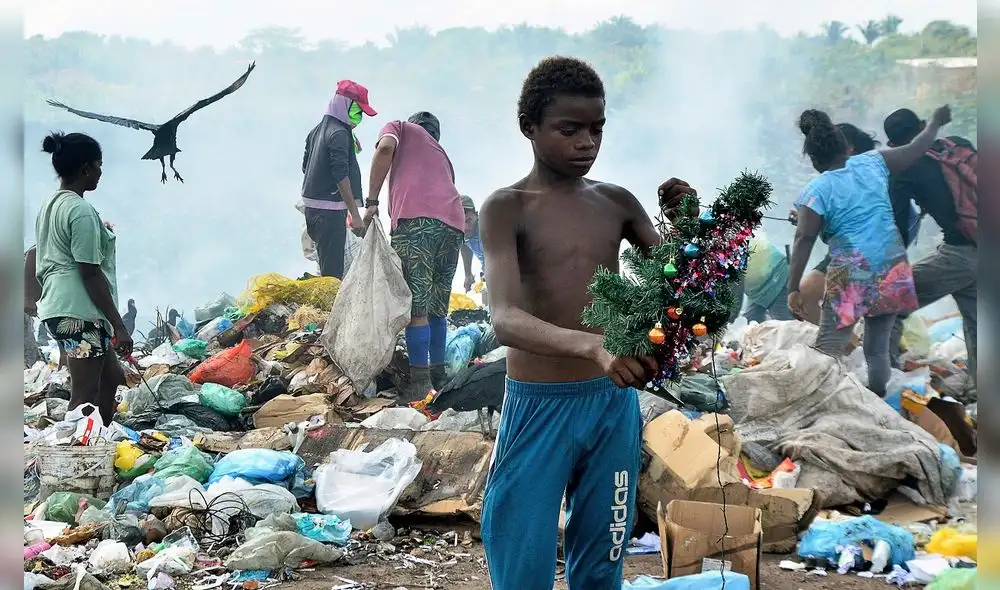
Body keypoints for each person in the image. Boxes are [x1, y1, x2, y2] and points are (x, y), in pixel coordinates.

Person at [478, 56, 696, 590]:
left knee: (602, 558)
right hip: (538, 408)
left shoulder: (616, 202)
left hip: (610, 407)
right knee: (520, 555)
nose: (587, 142)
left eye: (597, 129)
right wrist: (596, 349)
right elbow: (504, 318)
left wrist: (690, 222)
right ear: (529, 128)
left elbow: (678, 286)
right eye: (569, 129)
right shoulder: (507, 207)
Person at [786, 106, 951, 397]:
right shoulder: (874, 162)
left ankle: (822, 402)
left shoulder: (816, 190)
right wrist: (935, 123)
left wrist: (793, 288)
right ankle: (876, 399)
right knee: (876, 349)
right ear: (842, 146)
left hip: (852, 272)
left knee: (828, 348)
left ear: (814, 159)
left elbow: (804, 239)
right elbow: (916, 148)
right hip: (892, 266)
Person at [362, 111, 465, 397]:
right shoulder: (443, 156)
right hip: (453, 227)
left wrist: (371, 202)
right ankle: (439, 374)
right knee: (436, 306)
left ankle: (420, 384)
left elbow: (384, 148)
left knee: (415, 305)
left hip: (417, 223)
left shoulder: (401, 128)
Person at [34, 131, 131, 423]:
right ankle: (73, 459)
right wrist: (119, 325)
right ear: (85, 168)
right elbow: (89, 274)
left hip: (60, 306)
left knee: (111, 376)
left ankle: (99, 438)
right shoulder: (80, 210)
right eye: (99, 164)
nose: (101, 172)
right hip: (78, 312)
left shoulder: (52, 205)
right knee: (83, 395)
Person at [792, 123, 922, 326]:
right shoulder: (858, 171)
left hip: (867, 252)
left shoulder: (869, 173)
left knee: (815, 293)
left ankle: (850, 346)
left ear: (847, 148)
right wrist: (808, 222)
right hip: (862, 251)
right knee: (815, 292)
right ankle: (854, 345)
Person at [884, 108, 977, 389]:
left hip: (961, 253)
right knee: (977, 319)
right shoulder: (958, 144)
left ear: (893, 146)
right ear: (924, 126)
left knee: (889, 305)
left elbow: (898, 231)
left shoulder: (903, 171)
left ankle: (885, 382)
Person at [301, 80, 376, 279]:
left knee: (328, 266)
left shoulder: (316, 131)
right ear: (345, 104)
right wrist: (355, 214)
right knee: (333, 276)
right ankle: (330, 309)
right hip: (329, 214)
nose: (359, 118)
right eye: (357, 111)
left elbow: (305, 167)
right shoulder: (339, 133)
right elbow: (340, 176)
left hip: (313, 211)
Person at [460, 195, 486, 293]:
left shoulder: (486, 228)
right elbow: (464, 245)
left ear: (476, 215)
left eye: (468, 220)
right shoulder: (462, 234)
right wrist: (468, 274)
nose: (466, 227)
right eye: (461, 223)